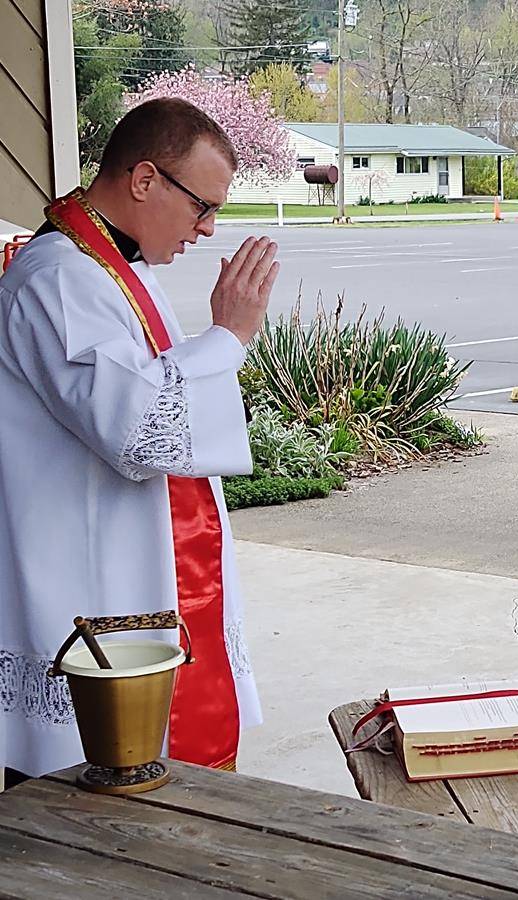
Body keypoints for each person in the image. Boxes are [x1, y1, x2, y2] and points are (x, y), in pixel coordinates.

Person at [0, 98, 279, 788]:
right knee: (93, 800)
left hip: (127, 562)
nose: (208, 229)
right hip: (87, 575)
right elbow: (138, 431)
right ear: (146, 179)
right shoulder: (58, 278)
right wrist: (227, 337)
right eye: (201, 207)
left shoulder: (112, 269)